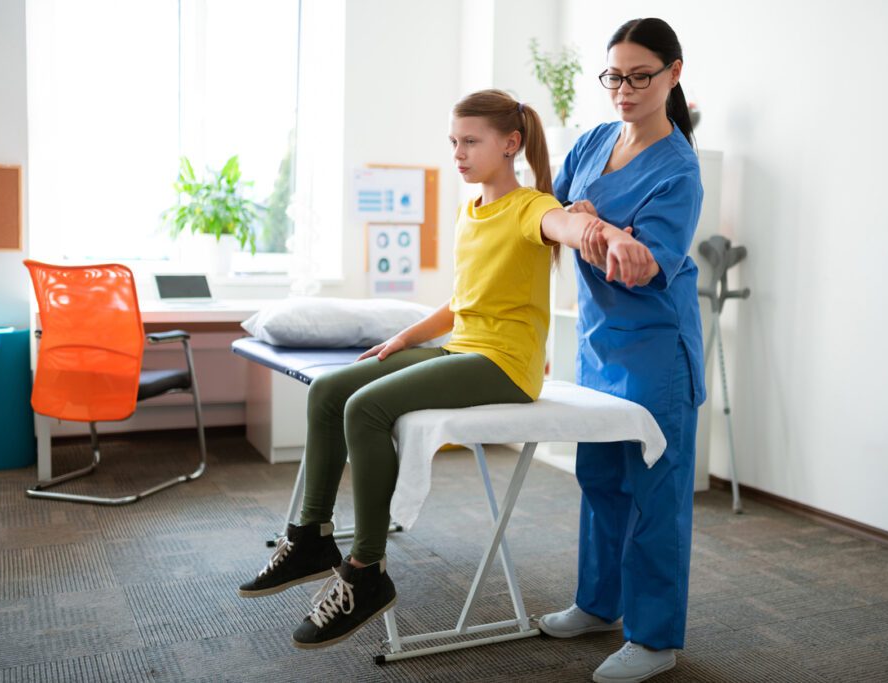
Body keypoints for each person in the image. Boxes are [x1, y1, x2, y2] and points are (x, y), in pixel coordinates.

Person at [236, 88, 646, 650]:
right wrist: (402, 339)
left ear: (511, 144)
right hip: (462, 348)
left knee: (366, 407)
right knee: (330, 390)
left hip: (504, 365)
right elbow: (461, 304)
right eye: (454, 141)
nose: (458, 152)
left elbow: (569, 230)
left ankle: (367, 570)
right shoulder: (467, 212)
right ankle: (310, 536)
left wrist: (605, 233)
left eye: (471, 141)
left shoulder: (532, 207)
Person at [536, 18, 706, 683]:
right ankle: (599, 601)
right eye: (615, 76)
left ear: (674, 74)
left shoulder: (679, 172)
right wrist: (593, 226)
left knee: (654, 494)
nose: (625, 90)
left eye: (641, 76)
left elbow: (637, 266)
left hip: (657, 353)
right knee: (600, 478)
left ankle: (655, 636)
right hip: (599, 345)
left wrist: (596, 228)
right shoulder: (592, 141)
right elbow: (551, 221)